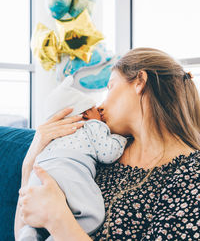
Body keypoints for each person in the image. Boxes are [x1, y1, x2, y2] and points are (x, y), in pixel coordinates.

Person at [15, 47, 200, 241]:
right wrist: (30, 163)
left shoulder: (191, 173)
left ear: (140, 82)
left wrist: (58, 219)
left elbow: (53, 217)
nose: (101, 106)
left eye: (110, 87)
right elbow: (25, 228)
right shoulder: (100, 152)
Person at [17, 76, 127, 241]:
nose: (101, 108)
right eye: (95, 108)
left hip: (39, 171)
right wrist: (120, 138)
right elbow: (108, 153)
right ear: (85, 114)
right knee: (91, 216)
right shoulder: (93, 125)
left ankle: (29, 235)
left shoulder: (56, 137)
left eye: (110, 87)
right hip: (67, 171)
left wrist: (29, 167)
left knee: (31, 223)